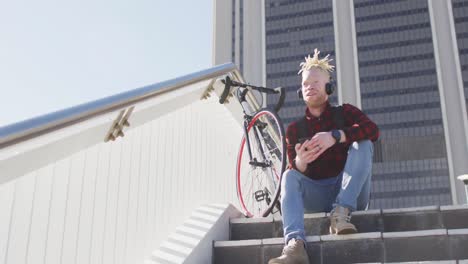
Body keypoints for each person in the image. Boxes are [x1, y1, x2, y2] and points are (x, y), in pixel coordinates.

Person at [268, 49, 379, 264]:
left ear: (329, 87)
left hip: (350, 192)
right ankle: (294, 246)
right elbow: (294, 168)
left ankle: (341, 213)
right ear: (301, 92)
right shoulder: (294, 129)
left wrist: (337, 136)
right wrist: (300, 162)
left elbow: (373, 130)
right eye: (305, 84)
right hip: (315, 194)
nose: (310, 86)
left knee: (363, 142)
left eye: (316, 82)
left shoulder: (345, 112)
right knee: (289, 176)